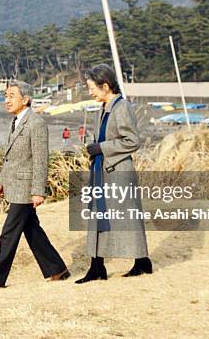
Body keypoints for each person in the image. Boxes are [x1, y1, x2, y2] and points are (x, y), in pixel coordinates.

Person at [0, 81, 70, 290]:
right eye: (5, 96)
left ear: (25, 99)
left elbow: (40, 159)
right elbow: (10, 159)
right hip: (15, 185)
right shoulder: (15, 122)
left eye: (11, 96)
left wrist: (38, 191)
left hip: (26, 189)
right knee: (32, 230)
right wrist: (1, 182)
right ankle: (58, 270)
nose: (6, 100)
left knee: (8, 234)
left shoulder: (35, 123)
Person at [76, 64, 152, 284]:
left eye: (92, 88)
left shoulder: (122, 107)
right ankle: (96, 266)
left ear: (106, 86)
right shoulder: (104, 107)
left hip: (118, 171)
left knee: (127, 219)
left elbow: (132, 141)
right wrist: (96, 147)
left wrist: (103, 148)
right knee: (98, 217)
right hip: (102, 169)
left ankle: (142, 262)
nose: (90, 92)